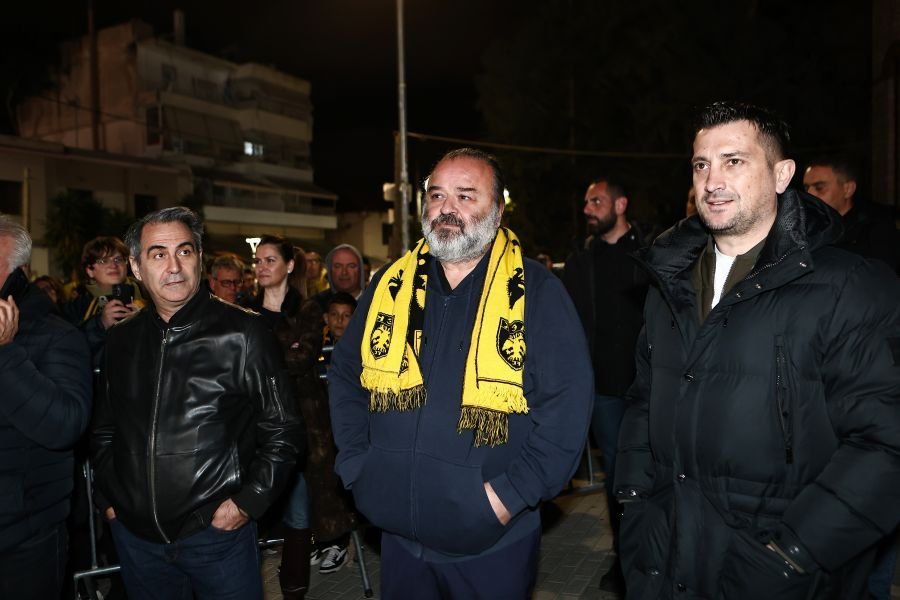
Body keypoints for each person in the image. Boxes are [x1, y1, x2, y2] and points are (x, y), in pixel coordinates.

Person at [614, 101, 900, 600]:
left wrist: (793, 554)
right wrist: (635, 504)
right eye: (701, 164)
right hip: (665, 560)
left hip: (783, 575)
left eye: (734, 161)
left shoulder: (849, 286)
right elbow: (643, 402)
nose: (712, 181)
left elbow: (885, 445)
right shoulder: (668, 285)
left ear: (782, 174)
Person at [329, 148, 593, 599]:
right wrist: (358, 465)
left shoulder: (537, 292)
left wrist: (507, 498)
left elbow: (567, 410)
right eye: (436, 195)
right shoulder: (389, 286)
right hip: (397, 539)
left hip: (491, 543)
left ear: (498, 211)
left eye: (465, 196)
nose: (446, 208)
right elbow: (345, 374)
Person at [90, 207, 304, 600]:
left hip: (217, 537)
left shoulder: (244, 332)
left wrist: (247, 502)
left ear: (199, 258)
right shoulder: (120, 339)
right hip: (137, 540)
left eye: (184, 252)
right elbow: (105, 428)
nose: (173, 267)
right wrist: (111, 500)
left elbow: (283, 428)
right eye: (158, 254)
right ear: (136, 267)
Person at [251, 236, 355, 599]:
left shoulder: (308, 309)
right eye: (258, 260)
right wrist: (284, 349)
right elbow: (246, 362)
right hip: (259, 422)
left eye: (270, 260)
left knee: (300, 508)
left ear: (289, 265)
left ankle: (293, 590)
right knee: (256, 511)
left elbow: (302, 357)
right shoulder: (247, 312)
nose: (262, 267)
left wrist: (265, 356)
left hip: (304, 422)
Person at [562, 177, 649, 597]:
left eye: (596, 201)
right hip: (602, 391)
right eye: (586, 201)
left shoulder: (648, 254)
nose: (587, 208)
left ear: (620, 204)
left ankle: (652, 553)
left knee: (651, 474)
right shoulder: (581, 261)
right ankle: (625, 559)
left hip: (647, 388)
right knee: (618, 479)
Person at [0, 216, 92, 598]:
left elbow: (65, 426)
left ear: (18, 276)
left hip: (25, 540)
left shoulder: (58, 336)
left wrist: (5, 354)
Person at [802, 154, 900, 273]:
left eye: (819, 188)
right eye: (806, 188)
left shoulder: (876, 230)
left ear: (848, 189)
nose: (809, 194)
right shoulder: (804, 227)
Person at [63, 236, 143, 362]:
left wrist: (144, 321)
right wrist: (100, 324)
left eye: (118, 259)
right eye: (103, 261)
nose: (113, 265)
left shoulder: (148, 298)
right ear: (90, 270)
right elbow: (68, 347)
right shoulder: (77, 307)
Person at [313, 243, 365, 310]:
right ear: (330, 270)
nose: (344, 272)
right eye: (338, 266)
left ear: (360, 270)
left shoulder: (375, 301)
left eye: (351, 266)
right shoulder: (316, 304)